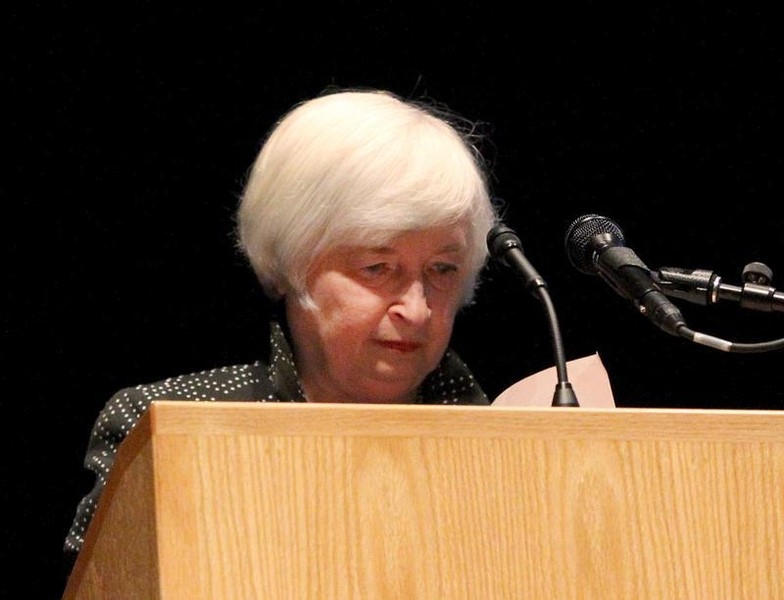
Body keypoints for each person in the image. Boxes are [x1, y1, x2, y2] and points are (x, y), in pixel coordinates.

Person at [63, 86, 500, 567]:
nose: (416, 310)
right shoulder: (164, 432)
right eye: (377, 268)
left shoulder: (519, 449)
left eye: (442, 270)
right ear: (292, 264)